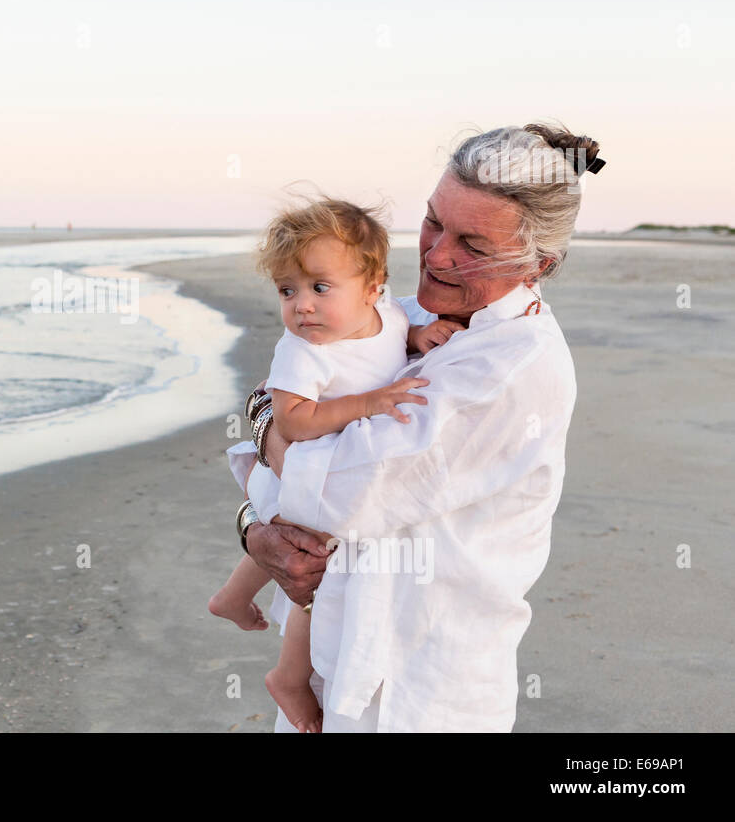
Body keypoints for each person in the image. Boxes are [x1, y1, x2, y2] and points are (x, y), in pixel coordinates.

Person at [231, 123, 601, 731]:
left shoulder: (505, 369)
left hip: (418, 688)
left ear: (541, 263)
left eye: (473, 245)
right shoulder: (416, 311)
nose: (435, 255)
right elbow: (299, 389)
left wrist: (274, 436)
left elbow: (329, 490)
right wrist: (256, 512)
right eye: (434, 222)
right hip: (337, 650)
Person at [208, 198, 461, 731]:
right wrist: (367, 404)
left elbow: (391, 341)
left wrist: (416, 339)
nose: (302, 306)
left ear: (373, 288)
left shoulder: (386, 316)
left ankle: (231, 597)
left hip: (311, 473)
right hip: (296, 469)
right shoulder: (303, 351)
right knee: (310, 575)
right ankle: (289, 677)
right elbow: (294, 421)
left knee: (294, 553)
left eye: (320, 288)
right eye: (287, 290)